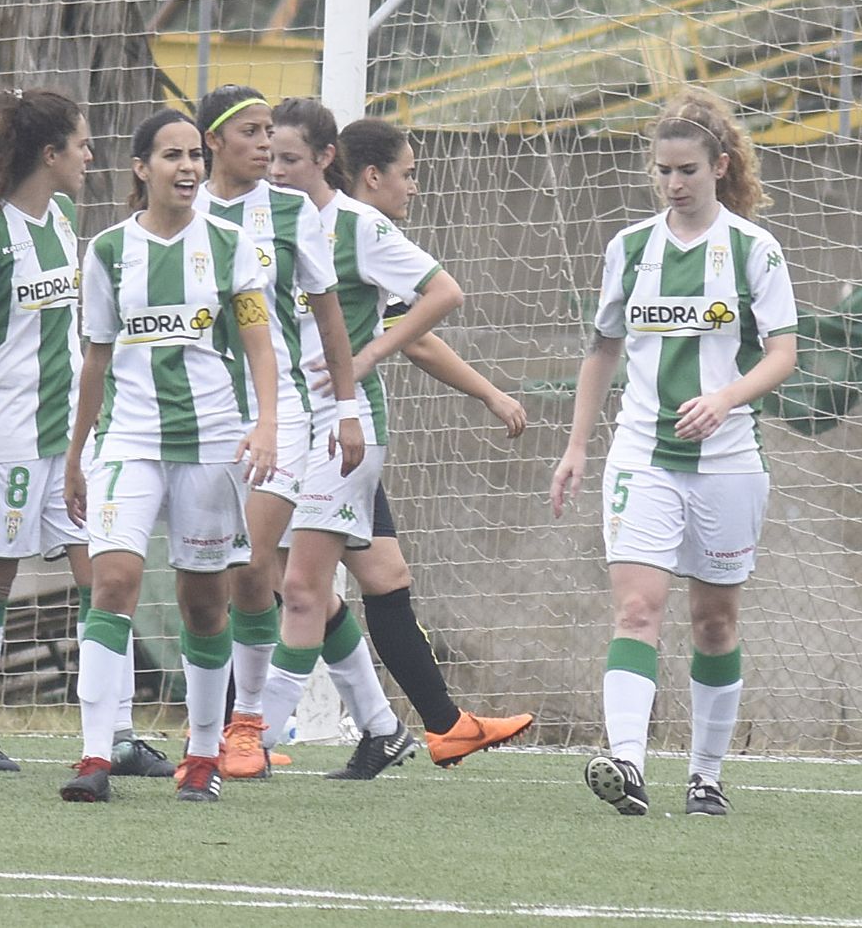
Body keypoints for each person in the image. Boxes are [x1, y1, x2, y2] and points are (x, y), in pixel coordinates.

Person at [550, 89, 798, 816]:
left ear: (719, 166)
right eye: (662, 170)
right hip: (642, 454)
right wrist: (576, 446)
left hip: (728, 461)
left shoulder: (754, 249)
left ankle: (705, 774)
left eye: (687, 169)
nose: (673, 182)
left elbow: (783, 353)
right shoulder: (630, 248)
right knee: (636, 608)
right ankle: (627, 764)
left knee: (714, 622)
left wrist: (725, 398)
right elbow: (602, 349)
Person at [272, 106, 535, 768]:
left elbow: (415, 329)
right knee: (349, 579)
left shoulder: (359, 233)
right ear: (370, 174)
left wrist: (486, 391)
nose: (414, 187)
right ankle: (419, 725)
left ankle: (254, 732)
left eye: (287, 157)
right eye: (408, 173)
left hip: (339, 430)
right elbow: (413, 337)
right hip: (299, 427)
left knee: (308, 585)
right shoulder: (291, 227)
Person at [0, 89, 171, 779]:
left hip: (72, 440)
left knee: (105, 574)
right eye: (81, 144)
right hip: (3, 438)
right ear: (49, 154)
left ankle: (117, 734)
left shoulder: (65, 220)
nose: (91, 156)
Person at [59, 109, 279, 803]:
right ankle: (96, 755)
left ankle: (204, 754)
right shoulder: (108, 251)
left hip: (211, 442)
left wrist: (267, 422)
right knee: (113, 580)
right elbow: (95, 360)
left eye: (193, 156)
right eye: (172, 156)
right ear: (141, 167)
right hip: (127, 440)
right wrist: (76, 455)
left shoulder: (230, 245)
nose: (187, 167)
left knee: (204, 604)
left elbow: (259, 343)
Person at [191, 85, 364, 780]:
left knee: (252, 563)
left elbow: (328, 316)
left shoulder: (294, 212)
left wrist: (347, 409)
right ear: (212, 141)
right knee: (206, 576)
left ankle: (247, 725)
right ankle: (205, 729)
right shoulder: (184, 213)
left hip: (284, 409)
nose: (266, 144)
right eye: (252, 132)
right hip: (202, 410)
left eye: (271, 132)